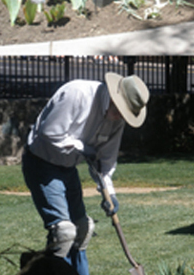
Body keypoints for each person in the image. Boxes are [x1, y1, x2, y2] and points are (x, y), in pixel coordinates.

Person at [22, 72, 150, 275]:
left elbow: (105, 161)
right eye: (121, 110)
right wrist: (83, 147)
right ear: (113, 95)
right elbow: (49, 133)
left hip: (68, 168)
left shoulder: (117, 119)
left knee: (83, 228)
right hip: (42, 162)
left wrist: (109, 192)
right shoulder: (77, 94)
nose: (120, 117)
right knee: (64, 233)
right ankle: (38, 270)